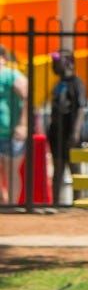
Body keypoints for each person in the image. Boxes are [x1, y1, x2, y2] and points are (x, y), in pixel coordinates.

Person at [48, 50, 85, 206]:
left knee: (74, 168)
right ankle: (55, 203)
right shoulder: (58, 84)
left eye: (59, 62)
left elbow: (81, 108)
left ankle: (78, 202)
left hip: (71, 132)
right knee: (58, 169)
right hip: (57, 133)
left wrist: (76, 132)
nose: (56, 65)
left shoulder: (76, 83)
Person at [0, 45, 28, 205]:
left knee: (11, 171)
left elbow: (27, 96)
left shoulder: (11, 75)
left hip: (12, 133)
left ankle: (11, 205)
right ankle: (3, 202)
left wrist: (23, 124)